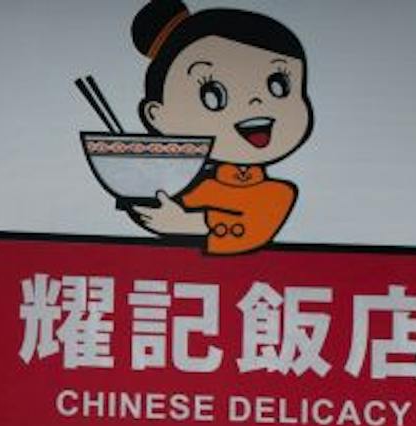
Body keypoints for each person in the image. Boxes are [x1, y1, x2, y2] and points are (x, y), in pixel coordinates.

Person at [124, 0, 312, 255]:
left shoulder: (276, 194)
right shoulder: (182, 181)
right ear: (157, 115)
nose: (255, 101)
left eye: (278, 84)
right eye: (213, 94)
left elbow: (253, 230)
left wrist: (188, 224)